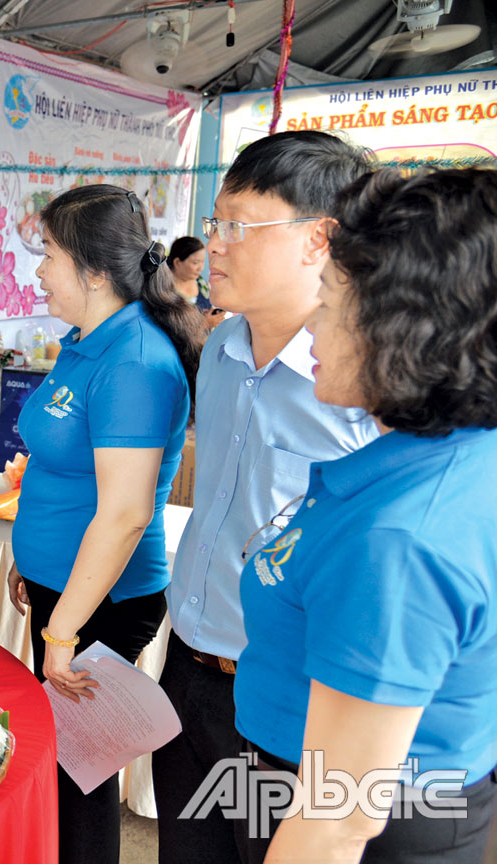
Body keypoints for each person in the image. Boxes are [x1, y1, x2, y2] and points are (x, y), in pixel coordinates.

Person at [233, 166, 497, 863]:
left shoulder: (401, 540)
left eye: (330, 301)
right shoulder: (449, 459)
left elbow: (337, 820)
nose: (312, 323)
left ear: (407, 328)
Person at [153, 131, 379, 864]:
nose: (213, 245)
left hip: (288, 696)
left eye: (238, 226)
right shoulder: (218, 349)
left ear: (320, 239)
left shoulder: (363, 388)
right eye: (214, 223)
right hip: (187, 665)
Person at [4, 185, 203, 864]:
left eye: (48, 255)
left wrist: (64, 630)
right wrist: (30, 558)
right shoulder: (86, 342)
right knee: (62, 769)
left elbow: (123, 513)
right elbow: (62, 471)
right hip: (63, 588)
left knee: (78, 777)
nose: (38, 271)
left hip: (103, 601)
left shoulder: (136, 361)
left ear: (93, 270)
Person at [166, 235, 225, 331]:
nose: (200, 268)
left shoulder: (200, 283)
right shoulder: (164, 290)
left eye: (202, 262)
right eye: (195, 263)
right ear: (177, 262)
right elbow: (170, 329)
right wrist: (204, 323)